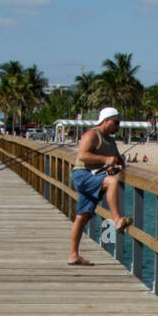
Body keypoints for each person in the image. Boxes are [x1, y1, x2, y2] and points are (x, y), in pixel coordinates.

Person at [68, 106, 132, 266]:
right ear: (106, 120)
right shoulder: (92, 134)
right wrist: (105, 160)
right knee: (112, 182)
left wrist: (118, 163)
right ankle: (117, 219)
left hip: (95, 176)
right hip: (83, 175)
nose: (118, 127)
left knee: (83, 216)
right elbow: (82, 155)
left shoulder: (110, 140)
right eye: (116, 123)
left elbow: (115, 159)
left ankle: (73, 255)